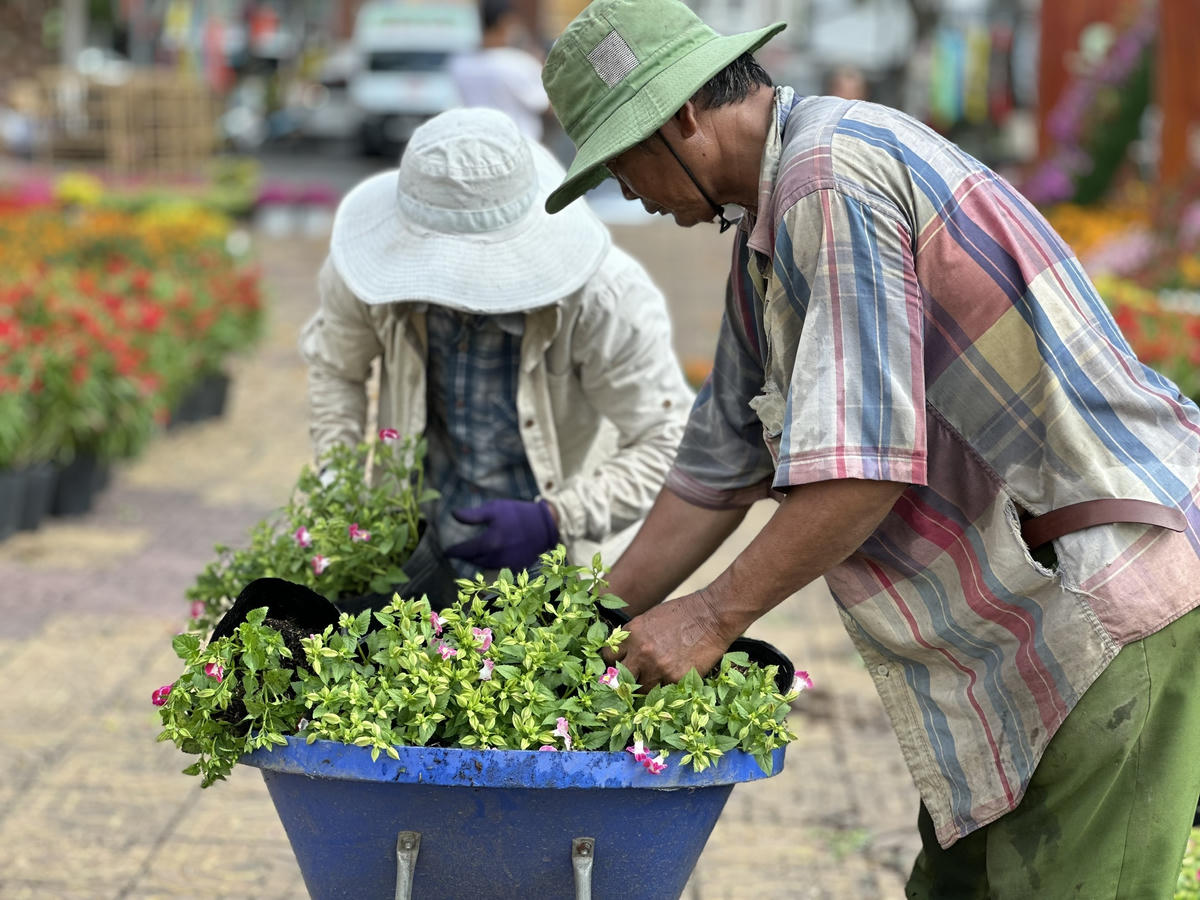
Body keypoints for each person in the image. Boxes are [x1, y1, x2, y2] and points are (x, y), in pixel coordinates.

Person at [539, 1, 1200, 896]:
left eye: (623, 160)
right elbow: (713, 474)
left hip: (1104, 604)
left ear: (683, 116)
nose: (630, 192)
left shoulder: (828, 178)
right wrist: (573, 629)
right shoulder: (766, 233)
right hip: (1021, 633)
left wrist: (709, 619)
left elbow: (865, 472)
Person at [300, 107, 693, 578]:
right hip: (421, 550)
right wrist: (338, 487)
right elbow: (336, 368)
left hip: (557, 568)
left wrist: (556, 517)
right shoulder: (363, 274)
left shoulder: (605, 298)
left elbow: (670, 440)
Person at [449, 0, 550, 140]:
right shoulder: (519, 63)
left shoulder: (460, 63)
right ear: (504, 22)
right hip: (519, 147)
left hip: (475, 144)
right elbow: (546, 103)